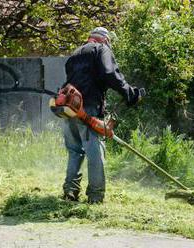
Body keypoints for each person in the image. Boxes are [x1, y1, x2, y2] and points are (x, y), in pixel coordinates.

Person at [62, 27, 144, 204]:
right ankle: (96, 196)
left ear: (90, 38)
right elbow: (110, 73)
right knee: (95, 152)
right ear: (105, 40)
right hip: (88, 108)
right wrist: (130, 94)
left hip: (69, 108)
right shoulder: (101, 49)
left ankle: (70, 191)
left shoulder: (75, 53)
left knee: (75, 151)